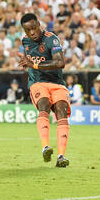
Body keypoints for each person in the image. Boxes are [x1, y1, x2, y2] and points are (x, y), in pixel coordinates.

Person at [18, 13, 70, 168]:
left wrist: (34, 65)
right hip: (38, 83)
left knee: (61, 110)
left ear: (39, 24)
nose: (32, 33)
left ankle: (61, 156)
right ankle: (46, 147)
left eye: (34, 28)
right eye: (28, 30)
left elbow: (60, 63)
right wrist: (28, 66)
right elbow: (29, 61)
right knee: (44, 104)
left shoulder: (51, 39)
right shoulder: (25, 41)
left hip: (56, 83)